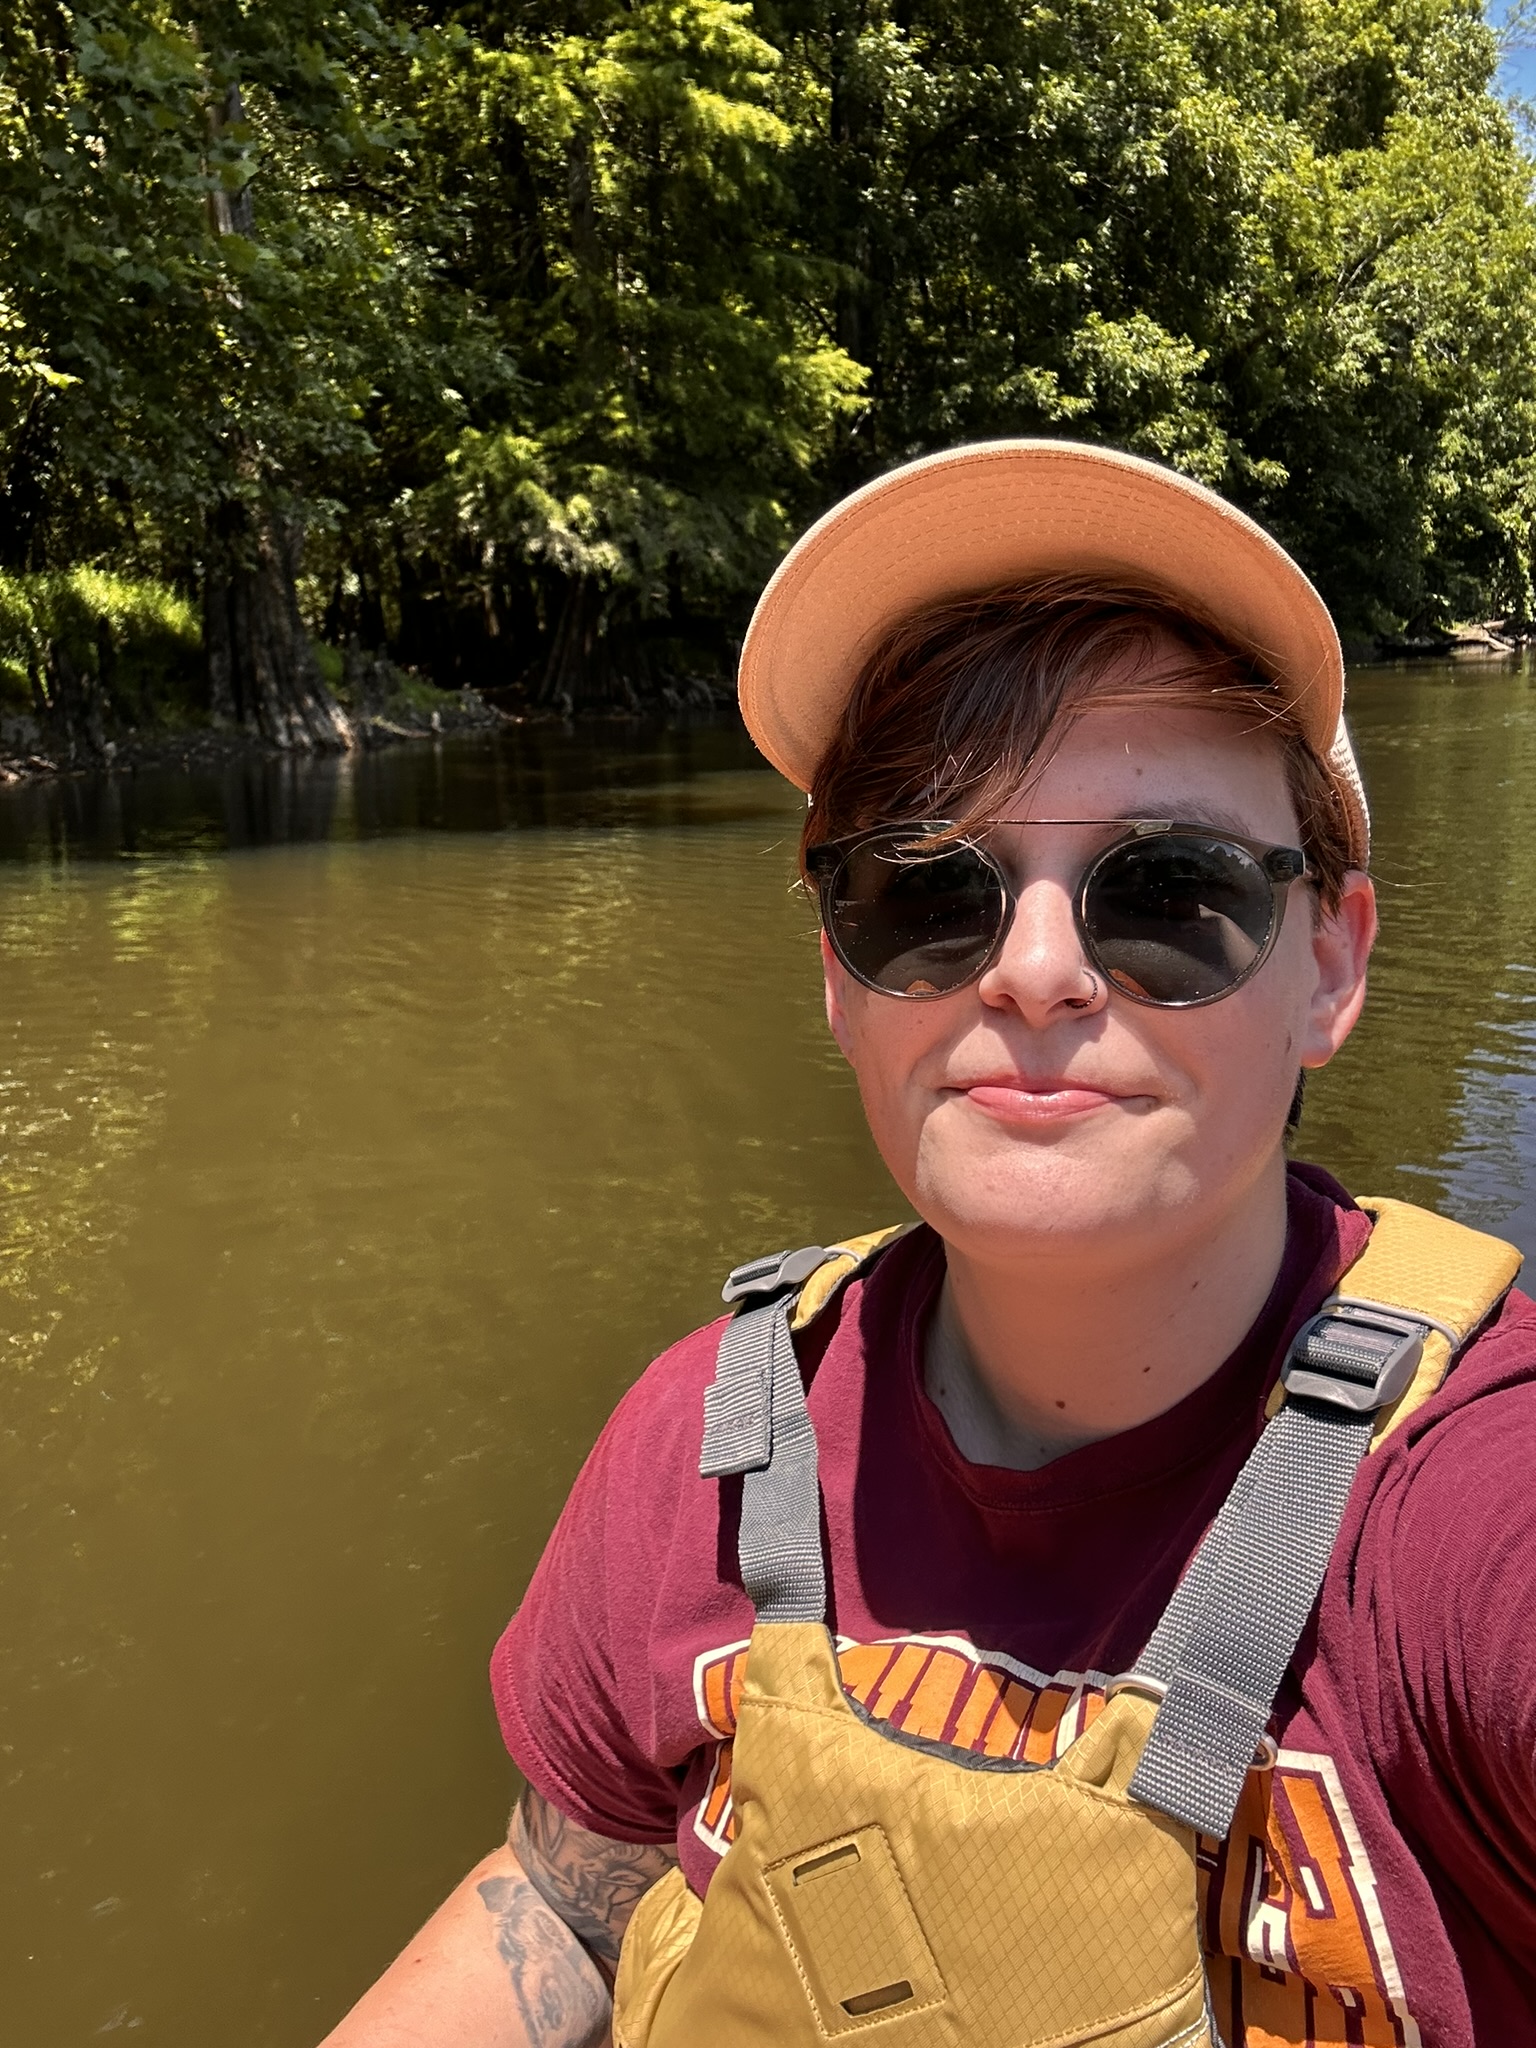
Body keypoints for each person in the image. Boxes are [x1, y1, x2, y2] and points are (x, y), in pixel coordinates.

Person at [319, 442, 1536, 2048]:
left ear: (1328, 963)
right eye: (924, 891)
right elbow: (563, 1901)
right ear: (838, 978)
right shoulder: (706, 1441)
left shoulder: (1467, 1498)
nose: (1032, 971)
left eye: (1168, 889)